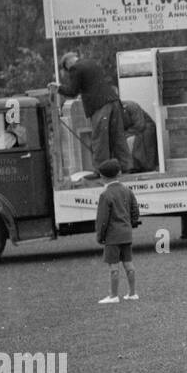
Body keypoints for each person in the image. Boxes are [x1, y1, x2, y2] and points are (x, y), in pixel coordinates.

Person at [56, 52, 130, 172]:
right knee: (118, 137)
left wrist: (58, 88)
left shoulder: (75, 68)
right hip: (114, 101)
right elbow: (92, 84)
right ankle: (127, 167)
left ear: (68, 64)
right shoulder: (91, 63)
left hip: (100, 106)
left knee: (100, 140)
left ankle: (101, 170)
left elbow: (72, 91)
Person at [94, 159, 140, 304]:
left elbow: (102, 219)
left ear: (102, 176)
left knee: (114, 267)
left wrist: (100, 236)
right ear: (119, 173)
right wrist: (130, 224)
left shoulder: (105, 195)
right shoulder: (128, 191)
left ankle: (113, 296)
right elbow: (135, 211)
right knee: (128, 263)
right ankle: (132, 293)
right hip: (126, 233)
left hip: (112, 236)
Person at [121, 100, 159, 173]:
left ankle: (144, 166)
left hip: (146, 127)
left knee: (139, 144)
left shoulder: (131, 105)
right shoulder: (116, 111)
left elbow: (140, 124)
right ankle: (135, 166)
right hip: (134, 129)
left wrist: (126, 134)